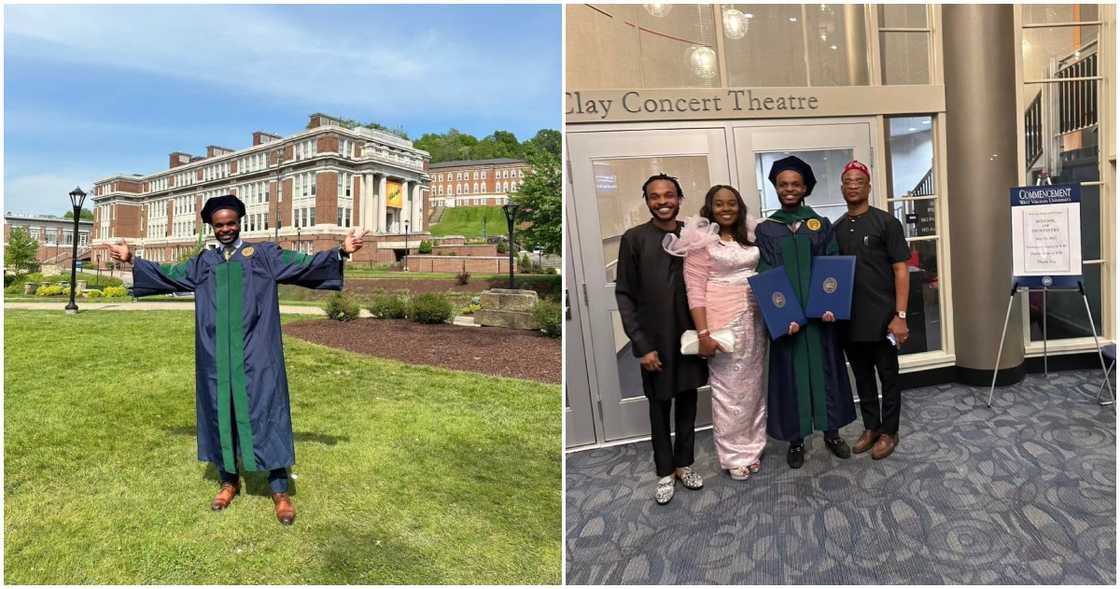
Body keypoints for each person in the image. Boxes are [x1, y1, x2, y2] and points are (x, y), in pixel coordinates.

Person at [108, 194, 366, 525]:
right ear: (211, 227)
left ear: (239, 222)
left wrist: (342, 251)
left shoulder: (263, 255)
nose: (226, 229)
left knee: (266, 410)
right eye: (219, 225)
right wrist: (133, 260)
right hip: (216, 355)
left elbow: (305, 264)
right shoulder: (204, 262)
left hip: (258, 352)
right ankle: (228, 481)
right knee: (221, 413)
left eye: (231, 223)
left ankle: (279, 489)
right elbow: (169, 272)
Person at [754, 156, 856, 469]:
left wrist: (830, 306)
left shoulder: (820, 225)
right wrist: (785, 318)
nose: (789, 189)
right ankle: (796, 439)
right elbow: (767, 272)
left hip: (819, 321)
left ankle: (832, 432)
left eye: (795, 184)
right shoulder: (768, 229)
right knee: (790, 377)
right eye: (783, 184)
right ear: (775, 187)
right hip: (789, 322)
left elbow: (832, 267)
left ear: (805, 188)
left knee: (827, 372)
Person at [615, 174, 709, 505]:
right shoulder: (634, 239)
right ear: (647, 202)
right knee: (659, 406)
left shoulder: (695, 235)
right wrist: (641, 345)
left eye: (669, 195)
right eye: (655, 197)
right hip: (654, 341)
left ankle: (684, 464)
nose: (662, 201)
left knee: (687, 402)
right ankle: (664, 472)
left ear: (680, 198)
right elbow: (625, 294)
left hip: (690, 336)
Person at [664, 185, 767, 481]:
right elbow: (694, 291)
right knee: (728, 390)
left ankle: (752, 447)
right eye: (719, 204)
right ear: (710, 207)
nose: (726, 209)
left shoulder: (750, 234)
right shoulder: (701, 241)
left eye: (732, 203)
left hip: (755, 320)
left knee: (753, 388)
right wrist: (704, 331)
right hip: (722, 322)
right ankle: (733, 456)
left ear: (739, 205)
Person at [834, 160, 910, 460]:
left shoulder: (886, 223)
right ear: (842, 188)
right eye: (847, 181)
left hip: (884, 320)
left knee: (889, 377)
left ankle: (890, 432)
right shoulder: (837, 228)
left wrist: (900, 316)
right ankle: (871, 426)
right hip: (849, 320)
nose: (853, 185)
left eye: (858, 180)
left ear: (868, 186)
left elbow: (901, 270)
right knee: (862, 377)